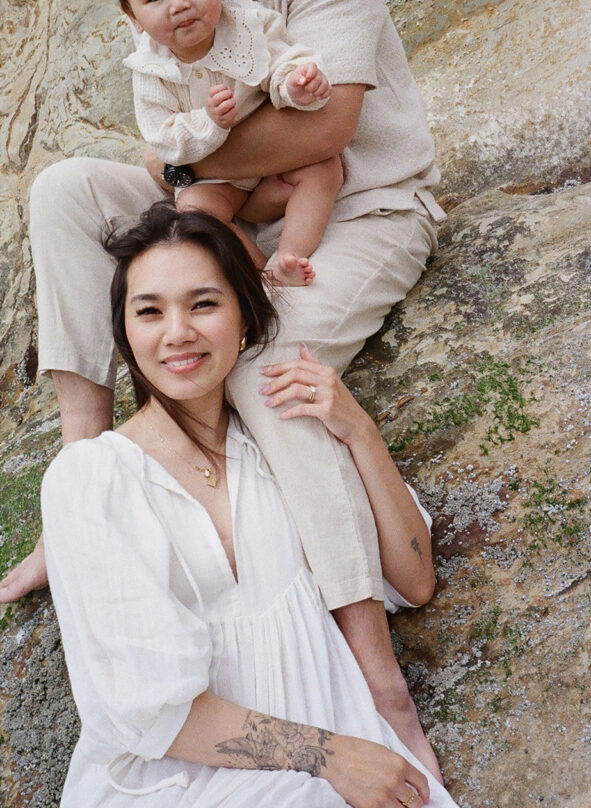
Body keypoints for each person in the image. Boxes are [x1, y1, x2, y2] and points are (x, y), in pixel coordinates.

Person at [2, 0, 445, 777]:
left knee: (267, 368)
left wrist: (194, 163)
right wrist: (194, 173)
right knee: (68, 190)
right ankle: (79, 488)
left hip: (354, 204)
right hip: (219, 199)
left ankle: (378, 681)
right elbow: (158, 142)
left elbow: (326, 130)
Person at [41, 203, 458, 808]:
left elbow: (414, 579)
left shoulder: (284, 448)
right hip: (177, 786)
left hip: (343, 776)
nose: (177, 332)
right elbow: (149, 712)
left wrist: (359, 429)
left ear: (244, 318)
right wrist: (327, 755)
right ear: (125, 333)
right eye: (149, 311)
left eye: (203, 304)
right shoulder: (91, 477)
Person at [113, 0, 340, 287]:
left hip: (275, 162)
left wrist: (297, 84)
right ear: (132, 15)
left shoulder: (248, 25)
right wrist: (208, 122)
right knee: (193, 213)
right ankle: (260, 274)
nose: (178, 4)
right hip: (218, 180)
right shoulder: (151, 69)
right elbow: (162, 137)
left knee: (325, 169)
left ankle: (290, 253)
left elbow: (281, 59)